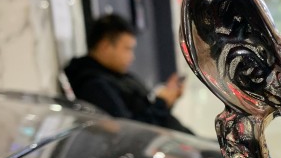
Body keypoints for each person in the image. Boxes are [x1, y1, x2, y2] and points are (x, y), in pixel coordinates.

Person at [64, 13, 193, 134]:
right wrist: (162, 102)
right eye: (127, 49)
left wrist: (168, 99)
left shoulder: (114, 75)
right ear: (105, 46)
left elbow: (147, 113)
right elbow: (130, 130)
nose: (132, 57)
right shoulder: (93, 85)